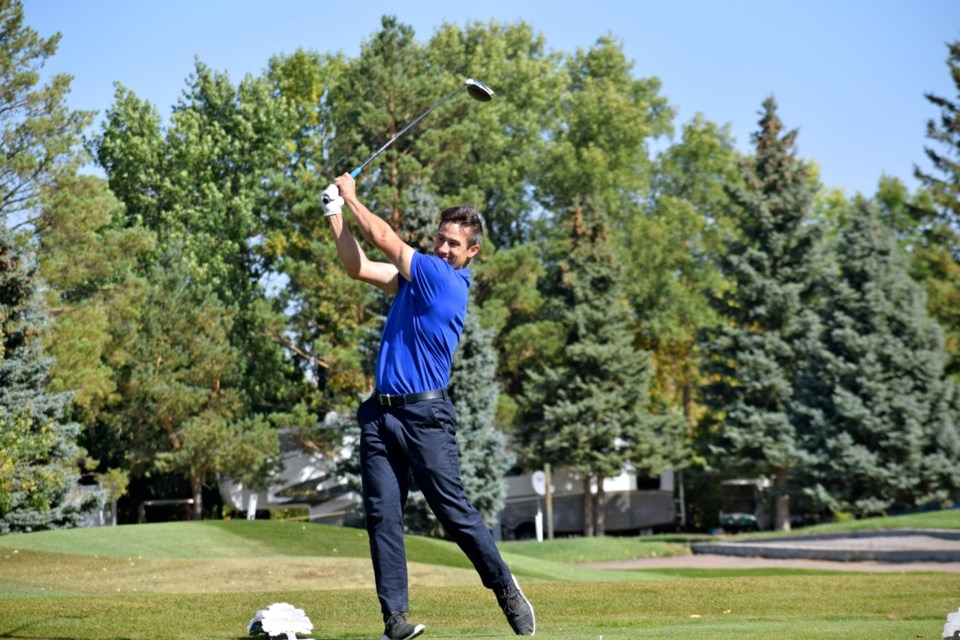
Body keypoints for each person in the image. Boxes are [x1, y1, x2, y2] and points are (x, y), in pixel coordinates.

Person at [322, 173, 536, 640]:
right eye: (439, 238)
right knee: (383, 515)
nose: (443, 247)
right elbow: (358, 267)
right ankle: (394, 620)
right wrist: (334, 213)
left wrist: (353, 197)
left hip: (426, 416)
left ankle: (504, 587)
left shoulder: (446, 282)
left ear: (470, 253)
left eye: (453, 243)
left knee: (452, 509)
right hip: (381, 415)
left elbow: (382, 237)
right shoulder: (413, 281)